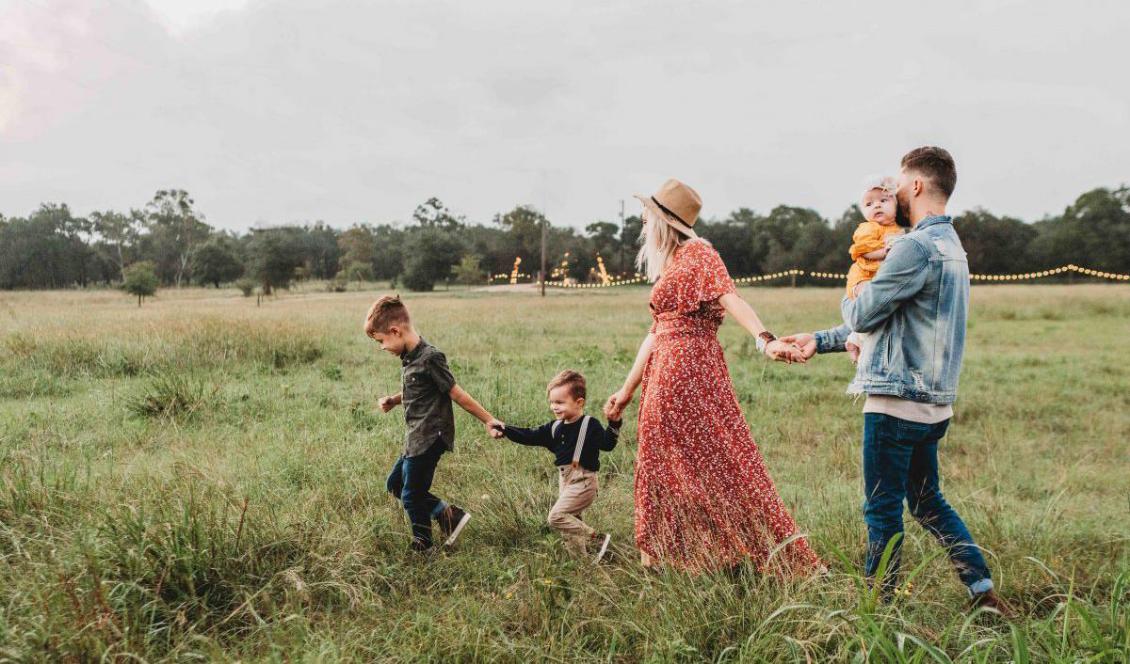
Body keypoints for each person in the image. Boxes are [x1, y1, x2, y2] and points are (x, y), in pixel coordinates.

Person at [780, 147, 1012, 615]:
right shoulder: (953, 248)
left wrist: (855, 290)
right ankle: (982, 592)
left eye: (900, 185)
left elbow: (865, 311)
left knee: (882, 510)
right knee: (928, 503)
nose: (895, 194)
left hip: (895, 403)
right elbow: (894, 320)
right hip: (934, 405)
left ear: (919, 186)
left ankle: (879, 610)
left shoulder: (912, 247)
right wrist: (821, 340)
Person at [603, 178, 822, 573]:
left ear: (664, 221)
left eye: (647, 216)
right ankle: (669, 556)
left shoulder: (699, 254)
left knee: (713, 460)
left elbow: (730, 297)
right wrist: (626, 389)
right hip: (667, 368)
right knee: (667, 461)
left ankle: (724, 552)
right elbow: (656, 331)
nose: (642, 222)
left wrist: (765, 339)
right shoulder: (673, 263)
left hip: (687, 369)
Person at [365, 295, 503, 553]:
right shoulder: (409, 357)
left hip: (430, 437)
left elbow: (455, 392)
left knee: (411, 495)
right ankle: (448, 515)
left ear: (395, 331)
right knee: (395, 484)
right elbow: (417, 389)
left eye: (381, 341)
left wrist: (488, 419)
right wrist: (394, 400)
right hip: (415, 437)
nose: (382, 347)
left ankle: (424, 544)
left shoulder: (430, 357)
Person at [493, 370, 620, 561]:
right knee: (570, 525)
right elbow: (529, 435)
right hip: (565, 481)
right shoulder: (555, 427)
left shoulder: (589, 425)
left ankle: (598, 539)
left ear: (579, 402)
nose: (554, 407)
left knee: (556, 517)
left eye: (560, 402)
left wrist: (614, 423)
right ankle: (581, 564)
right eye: (552, 402)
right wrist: (505, 429)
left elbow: (608, 444)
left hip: (584, 481)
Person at [844, 176, 906, 361]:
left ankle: (855, 338)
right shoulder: (868, 228)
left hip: (880, 278)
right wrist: (884, 252)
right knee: (870, 300)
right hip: (863, 277)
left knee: (883, 309)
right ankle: (860, 340)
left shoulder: (899, 229)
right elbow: (863, 250)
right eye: (869, 204)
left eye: (883, 200)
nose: (877, 206)